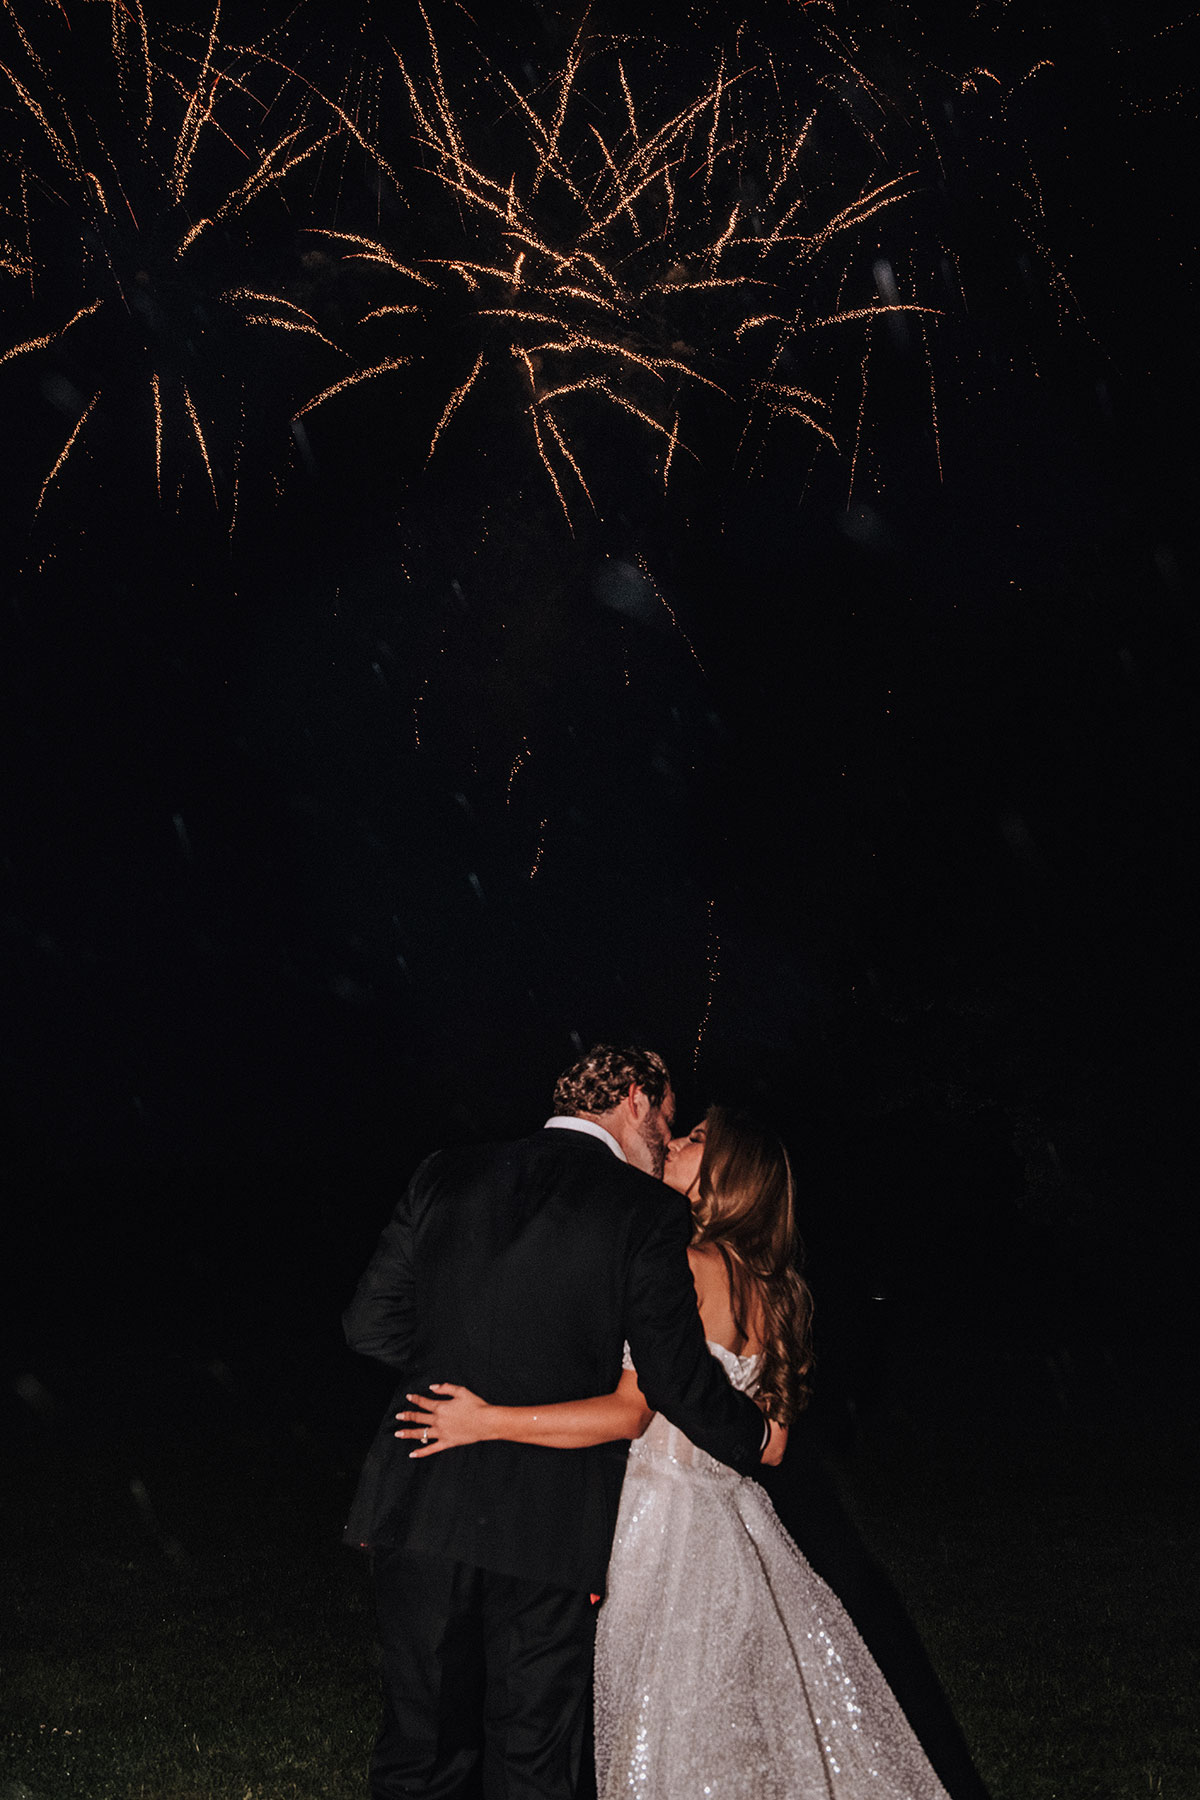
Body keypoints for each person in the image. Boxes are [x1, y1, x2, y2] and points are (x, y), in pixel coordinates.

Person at [397, 1106, 954, 1800]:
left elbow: (629, 1413)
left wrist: (487, 1419)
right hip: (734, 1528)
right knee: (725, 1728)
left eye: (694, 1140)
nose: (676, 1139)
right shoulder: (777, 1290)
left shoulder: (680, 1262)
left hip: (654, 1525)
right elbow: (773, 1447)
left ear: (724, 1176)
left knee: (643, 1723)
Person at [342, 1046, 777, 1800]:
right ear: (636, 1100)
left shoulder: (446, 1171)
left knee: (419, 1747)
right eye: (669, 1119)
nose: (665, 1142)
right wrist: (756, 1440)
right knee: (531, 1756)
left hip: (424, 1490)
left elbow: (368, 1327)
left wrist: (460, 1354)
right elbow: (674, 1378)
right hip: (547, 1517)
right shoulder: (645, 1210)